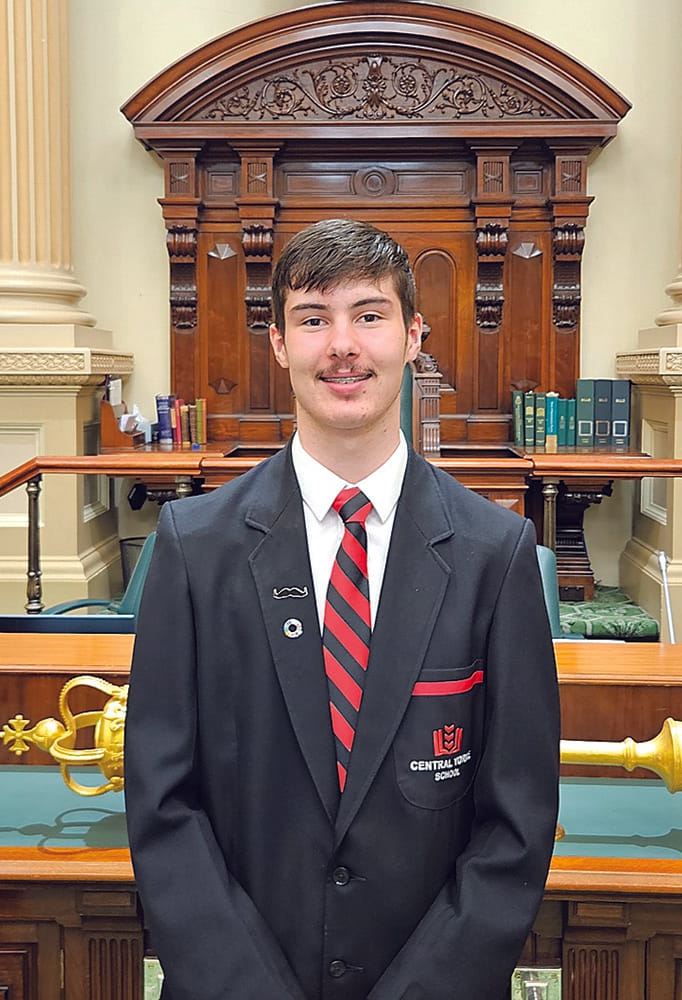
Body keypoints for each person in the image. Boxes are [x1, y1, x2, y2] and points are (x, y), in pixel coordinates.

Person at [124, 218, 560, 999]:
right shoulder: (196, 545)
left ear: (413, 335)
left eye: (369, 314)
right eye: (313, 319)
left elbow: (516, 824)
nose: (343, 345)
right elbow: (162, 803)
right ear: (279, 344)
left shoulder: (496, 552)